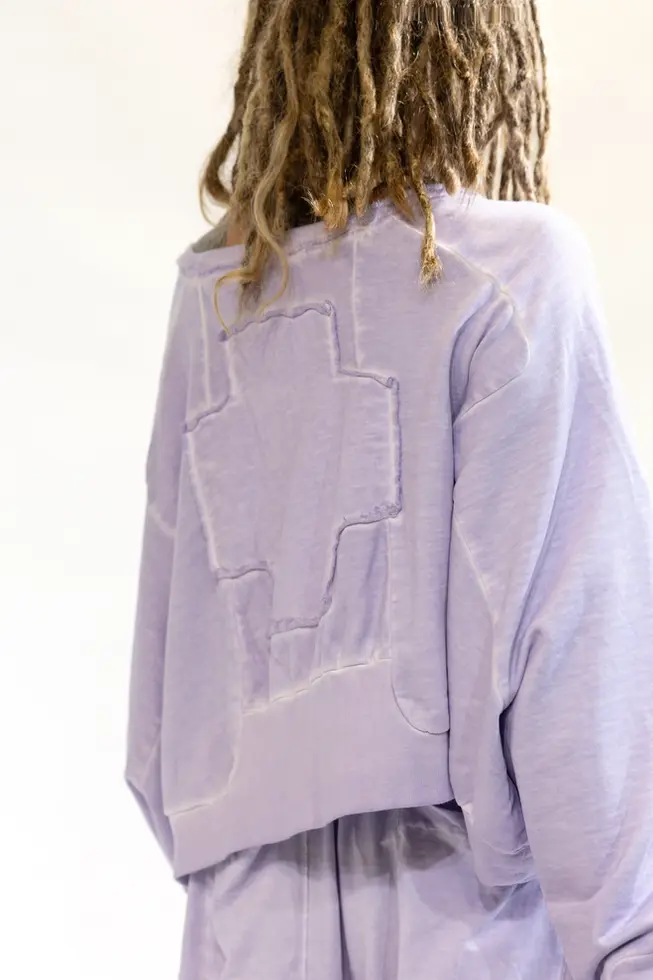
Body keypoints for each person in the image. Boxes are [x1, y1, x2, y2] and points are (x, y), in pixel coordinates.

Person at [125, 1, 653, 978]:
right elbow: (577, 659)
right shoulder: (506, 276)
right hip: (461, 924)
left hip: (243, 931)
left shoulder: (215, 300)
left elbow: (160, 734)